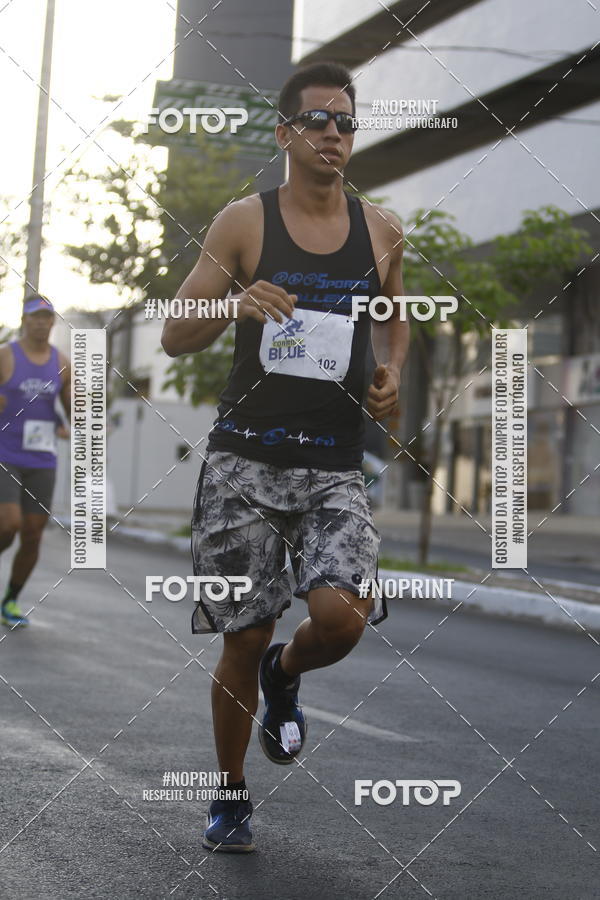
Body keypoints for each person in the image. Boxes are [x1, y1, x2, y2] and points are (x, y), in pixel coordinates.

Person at [161, 62, 409, 853]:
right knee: (242, 636)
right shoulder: (245, 222)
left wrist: (391, 371)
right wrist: (234, 303)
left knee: (341, 618)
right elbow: (175, 332)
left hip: (334, 464)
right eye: (317, 121)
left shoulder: (382, 230)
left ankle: (287, 671)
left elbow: (394, 318)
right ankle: (231, 795)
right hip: (246, 462)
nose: (333, 134)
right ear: (285, 133)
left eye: (345, 123)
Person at [0, 296, 71, 627]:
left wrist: (72, 424)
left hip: (42, 459)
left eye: (46, 317)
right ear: (24, 321)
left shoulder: (62, 362)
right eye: (35, 317)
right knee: (8, 525)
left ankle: (10, 601)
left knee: (32, 533)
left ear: (53, 322)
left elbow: (73, 410)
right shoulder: (6, 355)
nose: (41, 322)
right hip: (5, 454)